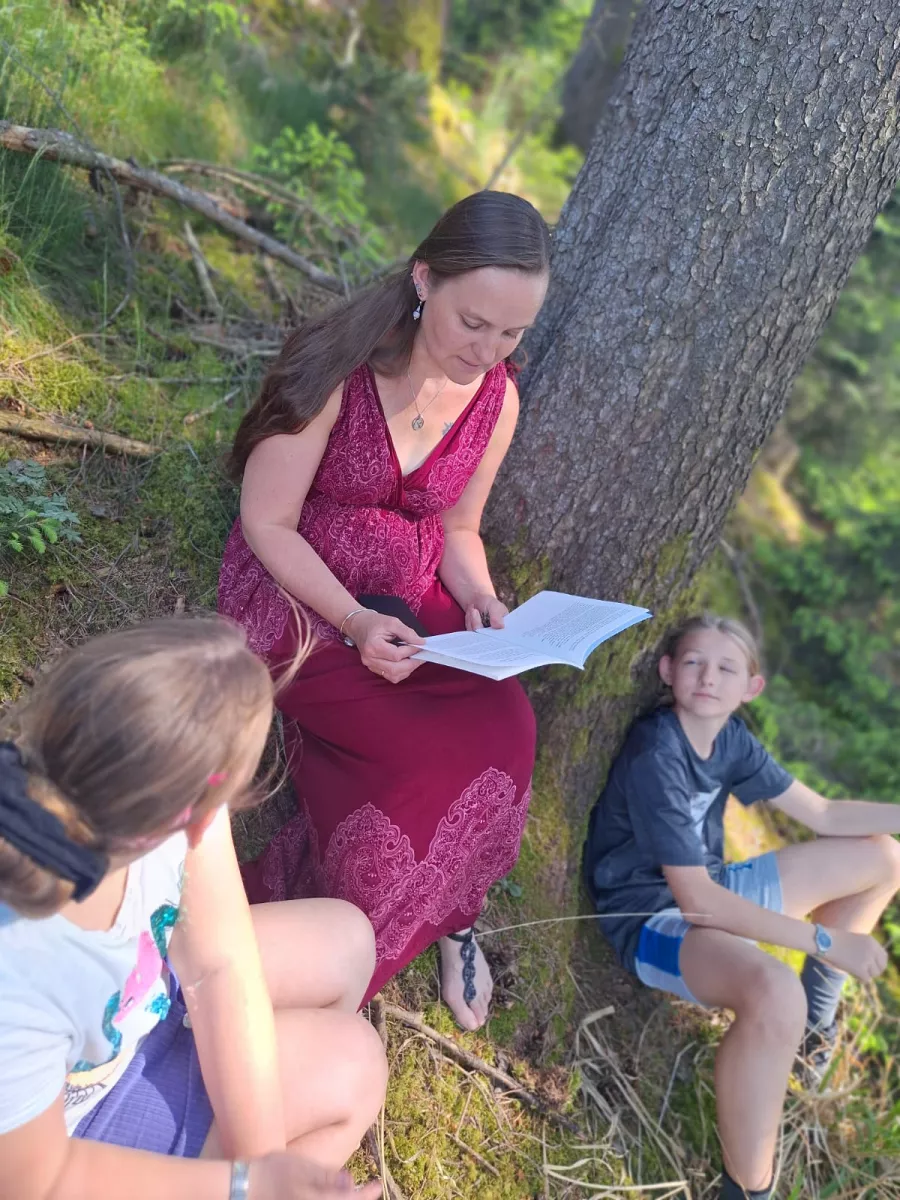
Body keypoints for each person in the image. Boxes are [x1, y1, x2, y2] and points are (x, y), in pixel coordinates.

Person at [219, 190, 550, 1031]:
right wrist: (355, 623)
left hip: (412, 601)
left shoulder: (495, 398)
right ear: (423, 277)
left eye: (512, 333)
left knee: (508, 728)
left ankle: (438, 912)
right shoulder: (338, 365)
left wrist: (477, 594)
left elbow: (458, 527)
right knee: (416, 759)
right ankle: (337, 942)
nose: (490, 350)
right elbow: (267, 523)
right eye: (474, 322)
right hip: (300, 595)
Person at [0, 616, 386, 1200]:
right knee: (354, 1068)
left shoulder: (135, 788)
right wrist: (244, 1186)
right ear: (199, 810)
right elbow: (38, 1180)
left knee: (347, 940)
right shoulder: (21, 972)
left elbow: (219, 966)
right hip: (65, 1141)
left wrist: (261, 1163)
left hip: (121, 1021)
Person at [583, 614, 900, 1200]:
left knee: (884, 857)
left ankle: (811, 1032)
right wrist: (827, 941)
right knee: (775, 989)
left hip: (712, 888)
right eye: (694, 662)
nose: (708, 677)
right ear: (668, 671)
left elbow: (825, 815)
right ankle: (748, 1190)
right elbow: (699, 905)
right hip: (653, 921)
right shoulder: (659, 751)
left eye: (727, 667)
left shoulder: (729, 740)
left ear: (750, 687)